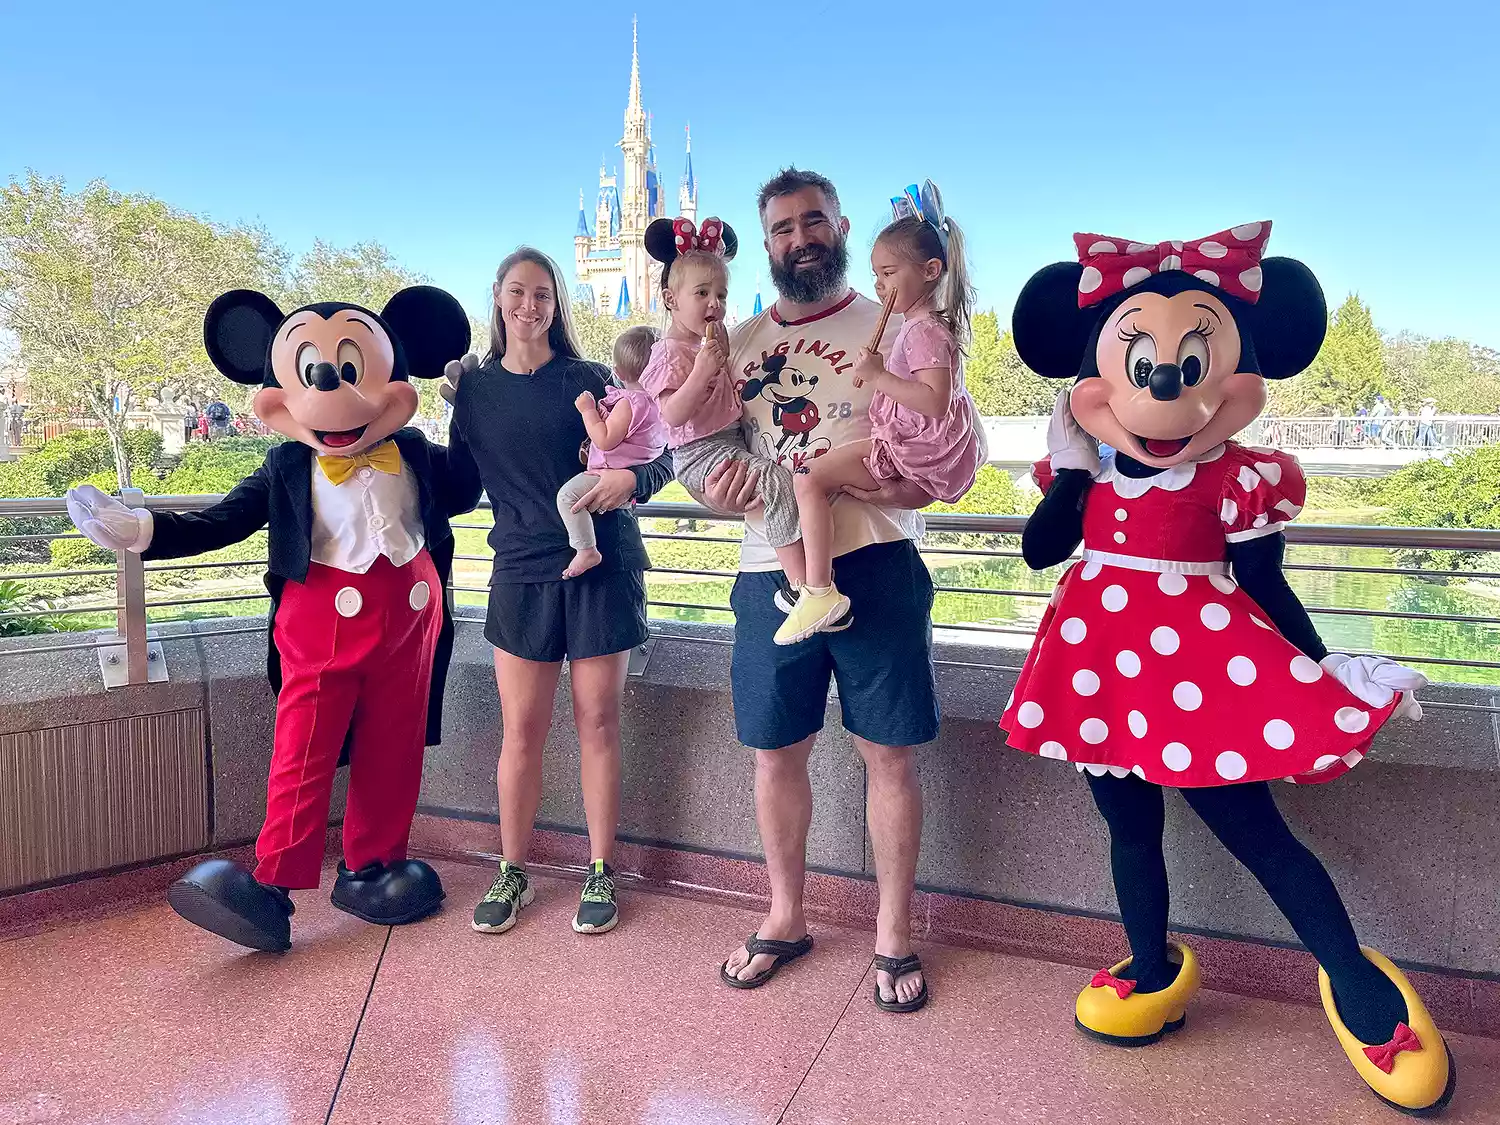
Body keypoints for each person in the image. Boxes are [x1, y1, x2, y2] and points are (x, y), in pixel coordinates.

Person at [1005, 222, 1452, 1114]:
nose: (1162, 380)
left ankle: (1352, 982)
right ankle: (1151, 963)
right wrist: (1069, 473)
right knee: (1127, 828)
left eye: (1192, 356)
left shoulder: (1239, 479)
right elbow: (1036, 552)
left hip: (1201, 681)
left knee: (1260, 837)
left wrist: (1325, 669)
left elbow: (1265, 585)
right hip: (1099, 674)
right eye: (1135, 354)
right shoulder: (1087, 474)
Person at [65, 286, 480, 953]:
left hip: (410, 628)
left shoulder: (414, 450)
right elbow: (225, 518)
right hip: (320, 630)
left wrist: (470, 411)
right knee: (303, 750)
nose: (335, 392)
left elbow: (464, 486)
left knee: (393, 751)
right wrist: (141, 528)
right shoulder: (288, 463)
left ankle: (371, 866)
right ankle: (272, 885)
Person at [706, 168, 936, 1013]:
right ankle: (785, 915)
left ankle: (894, 932)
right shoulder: (730, 344)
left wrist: (873, 488)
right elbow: (704, 461)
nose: (800, 238)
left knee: (891, 755)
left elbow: (941, 464)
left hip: (877, 564)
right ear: (765, 246)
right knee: (774, 752)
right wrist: (713, 491)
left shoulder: (902, 326)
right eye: (782, 229)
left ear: (840, 226)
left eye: (813, 222)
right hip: (769, 568)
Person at [442, 247, 674, 937]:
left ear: (557, 304)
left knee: (599, 722)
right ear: (498, 297)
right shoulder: (475, 390)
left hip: (603, 567)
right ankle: (513, 869)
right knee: (522, 731)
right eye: (517, 291)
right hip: (520, 570)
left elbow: (658, 453)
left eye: (542, 293)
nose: (529, 305)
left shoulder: (591, 377)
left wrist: (634, 484)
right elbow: (455, 482)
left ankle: (601, 868)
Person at [784, 181, 983, 645]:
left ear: (931, 270)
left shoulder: (925, 331)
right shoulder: (919, 326)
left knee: (808, 479)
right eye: (876, 275)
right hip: (900, 451)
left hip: (902, 450)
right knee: (817, 482)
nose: (880, 285)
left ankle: (816, 589)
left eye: (889, 273)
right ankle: (812, 585)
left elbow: (935, 400)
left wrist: (878, 375)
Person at [637, 216, 808, 595]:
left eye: (721, 294)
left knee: (783, 480)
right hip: (701, 450)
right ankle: (803, 585)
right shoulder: (668, 354)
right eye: (702, 293)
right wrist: (702, 371)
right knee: (777, 481)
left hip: (726, 442)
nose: (714, 303)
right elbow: (672, 415)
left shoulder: (709, 344)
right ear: (670, 300)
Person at [556, 325, 666, 577]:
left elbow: (604, 439)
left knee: (567, 499)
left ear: (617, 371)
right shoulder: (659, 404)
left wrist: (588, 411)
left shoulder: (630, 402)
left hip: (607, 472)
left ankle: (586, 550)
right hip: (624, 483)